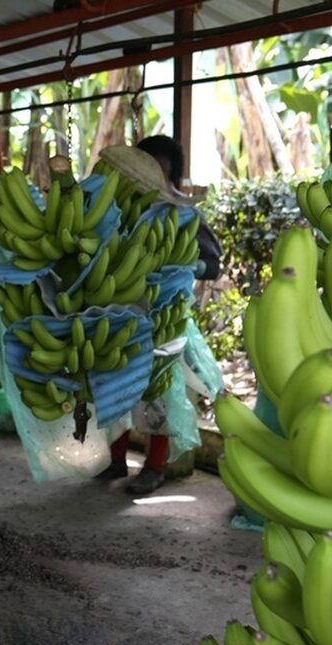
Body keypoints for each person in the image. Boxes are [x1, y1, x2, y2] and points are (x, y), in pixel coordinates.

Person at [100, 138, 224, 494]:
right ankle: (115, 460)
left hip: (164, 316)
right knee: (113, 391)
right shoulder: (119, 209)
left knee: (157, 397)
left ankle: (154, 467)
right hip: (118, 312)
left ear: (173, 174)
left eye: (160, 171)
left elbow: (213, 266)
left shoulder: (184, 214)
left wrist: (185, 262)